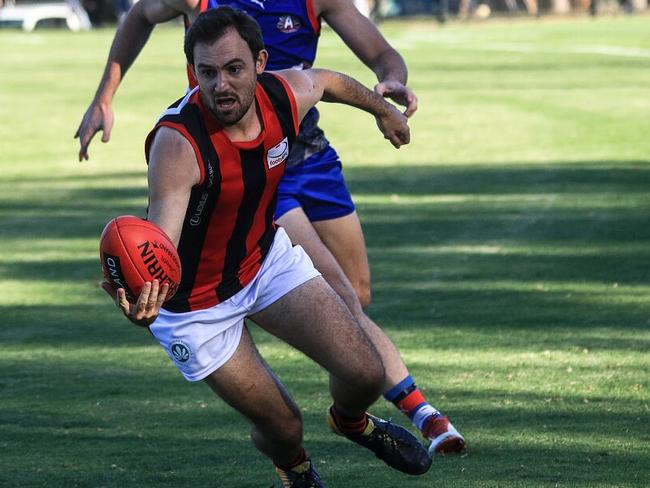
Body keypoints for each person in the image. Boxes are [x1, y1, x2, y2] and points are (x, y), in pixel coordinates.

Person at [77, 0, 465, 455]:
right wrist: (145, 300)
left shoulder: (284, 94)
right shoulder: (178, 145)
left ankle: (351, 421)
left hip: (263, 255)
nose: (221, 85)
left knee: (365, 367)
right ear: (192, 70)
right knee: (285, 426)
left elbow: (329, 80)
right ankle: (299, 468)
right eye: (207, 73)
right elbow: (164, 241)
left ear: (261, 64)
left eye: (234, 69)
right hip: (197, 306)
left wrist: (383, 108)